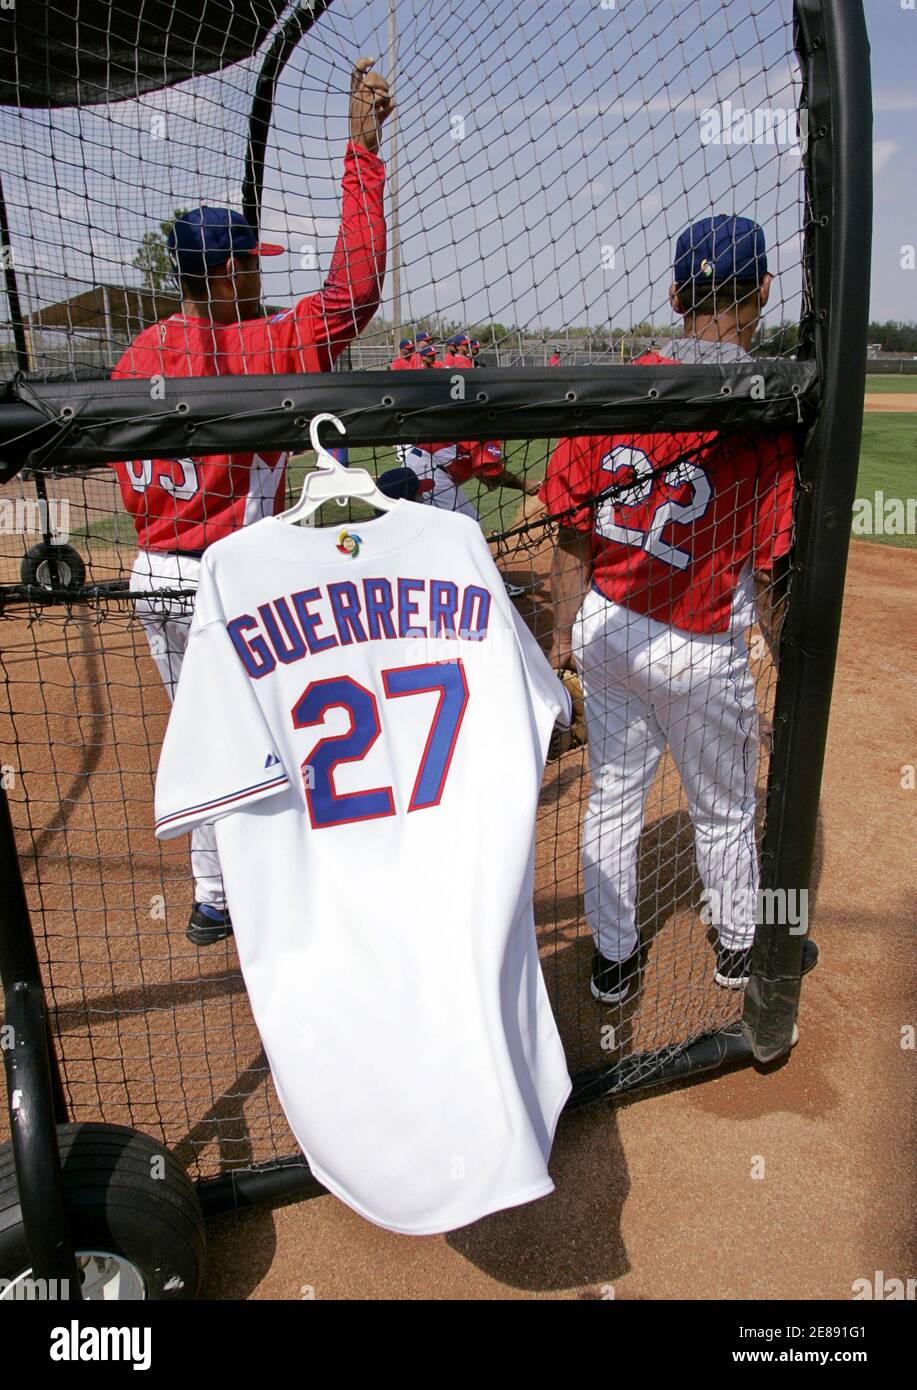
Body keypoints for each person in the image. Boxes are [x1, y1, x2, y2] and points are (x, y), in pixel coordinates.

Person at [110, 57, 392, 946]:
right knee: (268, 736)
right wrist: (362, 151)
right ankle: (271, 895)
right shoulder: (266, 343)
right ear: (223, 273)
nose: (260, 275)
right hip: (226, 579)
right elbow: (355, 288)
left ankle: (212, 898)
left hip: (151, 576)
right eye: (250, 263)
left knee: (197, 732)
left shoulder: (136, 354)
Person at [541, 214, 809, 1003]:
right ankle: (735, 950)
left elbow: (569, 533)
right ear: (761, 289)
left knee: (615, 795)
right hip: (696, 642)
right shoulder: (763, 408)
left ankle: (613, 962)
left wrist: (563, 639)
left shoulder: (612, 388)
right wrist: (789, 662)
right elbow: (768, 571)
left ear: (671, 293)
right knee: (723, 809)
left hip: (606, 624)